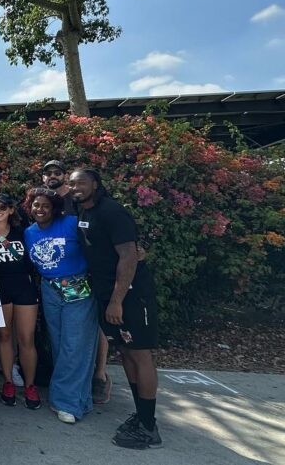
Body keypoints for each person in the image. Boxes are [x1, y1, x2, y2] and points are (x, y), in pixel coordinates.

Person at [70, 169, 163, 449]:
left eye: (81, 182)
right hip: (106, 293)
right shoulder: (85, 211)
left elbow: (129, 256)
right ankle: (142, 415)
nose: (75, 187)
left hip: (129, 297)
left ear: (96, 184)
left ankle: (149, 428)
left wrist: (117, 300)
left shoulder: (112, 211)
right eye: (72, 183)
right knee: (126, 354)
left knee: (140, 355)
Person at [23, 188, 98, 423]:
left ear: (55, 207)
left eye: (45, 205)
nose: (40, 209)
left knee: (75, 345)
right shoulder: (29, 232)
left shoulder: (72, 223)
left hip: (78, 287)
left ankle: (65, 402)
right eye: (36, 205)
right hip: (50, 289)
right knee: (58, 344)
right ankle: (80, 399)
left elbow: (98, 245)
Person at [0, 193, 41, 409]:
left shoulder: (23, 232)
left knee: (26, 338)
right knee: (4, 335)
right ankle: (8, 381)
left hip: (24, 288)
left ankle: (30, 385)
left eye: (3, 206)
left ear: (10, 210)